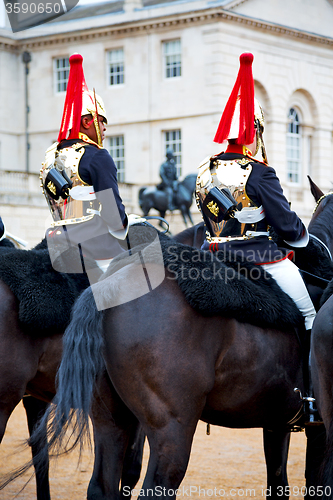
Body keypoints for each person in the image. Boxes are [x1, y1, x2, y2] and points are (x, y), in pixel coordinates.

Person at [196, 53, 318, 423]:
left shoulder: (205, 171)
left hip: (211, 257)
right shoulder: (260, 172)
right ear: (255, 133)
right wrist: (300, 237)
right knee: (311, 314)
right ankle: (312, 396)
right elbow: (289, 229)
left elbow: (207, 217)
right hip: (260, 259)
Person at [40, 53, 143, 273]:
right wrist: (128, 221)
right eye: (101, 122)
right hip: (95, 246)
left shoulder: (51, 155)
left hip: (55, 241)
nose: (105, 129)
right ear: (87, 122)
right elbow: (114, 218)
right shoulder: (97, 156)